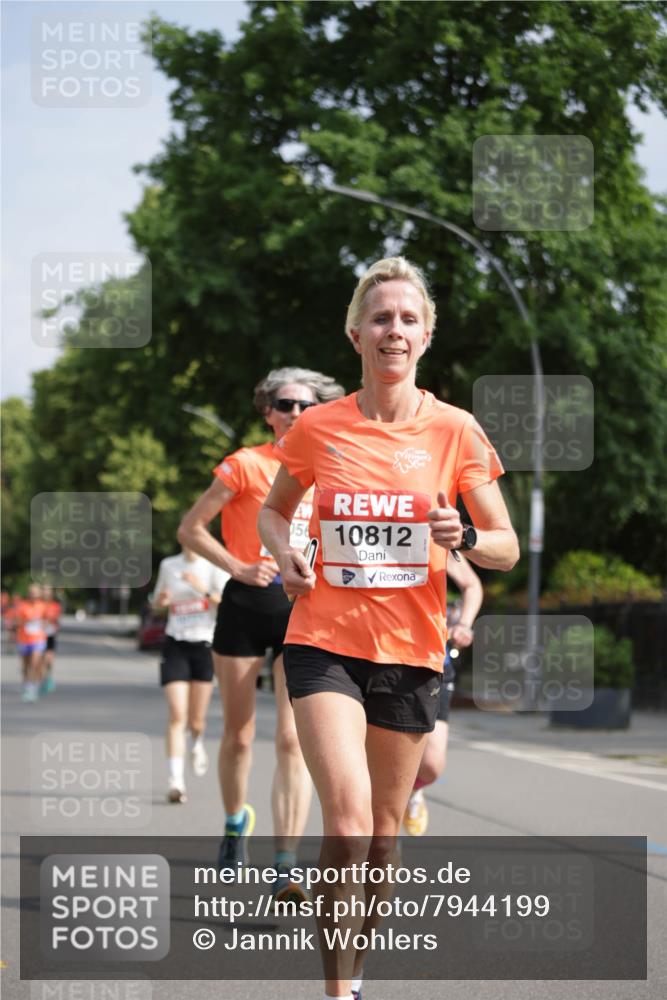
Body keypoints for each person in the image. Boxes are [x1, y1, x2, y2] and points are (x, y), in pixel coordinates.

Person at [259, 256, 519, 1000]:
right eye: (380, 318)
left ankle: (357, 967)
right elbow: (275, 511)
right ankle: (336, 992)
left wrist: (461, 534)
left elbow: (506, 547)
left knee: (380, 839)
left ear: (426, 335)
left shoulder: (454, 430)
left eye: (408, 319)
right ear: (355, 334)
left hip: (409, 652)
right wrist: (284, 556)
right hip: (321, 643)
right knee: (342, 823)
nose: (393, 330)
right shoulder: (317, 427)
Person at [178, 367, 344, 896]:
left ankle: (286, 862)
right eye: (285, 404)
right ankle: (233, 826)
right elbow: (190, 528)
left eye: (304, 405)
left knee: (294, 739)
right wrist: (237, 566)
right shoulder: (245, 464)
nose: (295, 413)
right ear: (267, 411)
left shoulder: (330, 465)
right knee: (241, 734)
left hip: (304, 610)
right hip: (247, 606)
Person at [403, 553, 483, 835]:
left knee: (432, 764)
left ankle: (412, 791)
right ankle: (383, 850)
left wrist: (463, 624)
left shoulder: (437, 536)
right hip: (372, 657)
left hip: (432, 660)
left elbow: (472, 585)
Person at [152, 547, 229, 803]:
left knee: (196, 720)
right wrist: (160, 602)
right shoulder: (169, 565)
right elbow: (157, 604)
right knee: (177, 715)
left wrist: (201, 588)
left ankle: (196, 742)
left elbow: (226, 602)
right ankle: (176, 781)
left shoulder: (214, 565)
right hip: (176, 643)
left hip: (204, 644)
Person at [15, 583, 48, 703]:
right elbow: (16, 621)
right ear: (28, 594)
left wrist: (43, 624)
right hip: (24, 639)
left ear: (39, 594)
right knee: (25, 666)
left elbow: (46, 620)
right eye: (31, 592)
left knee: (34, 663)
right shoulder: (22, 606)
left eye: (35, 592)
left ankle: (32, 688)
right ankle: (26, 684)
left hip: (38, 639)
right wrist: (26, 621)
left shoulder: (43, 606)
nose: (33, 595)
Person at [40, 584, 62, 695]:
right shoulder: (38, 604)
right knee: (42, 659)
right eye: (44, 590)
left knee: (49, 658)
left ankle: (48, 677)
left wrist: (52, 625)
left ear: (51, 592)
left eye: (47, 590)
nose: (45, 592)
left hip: (50, 634)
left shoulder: (55, 606)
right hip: (38, 635)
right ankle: (43, 680)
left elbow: (57, 620)